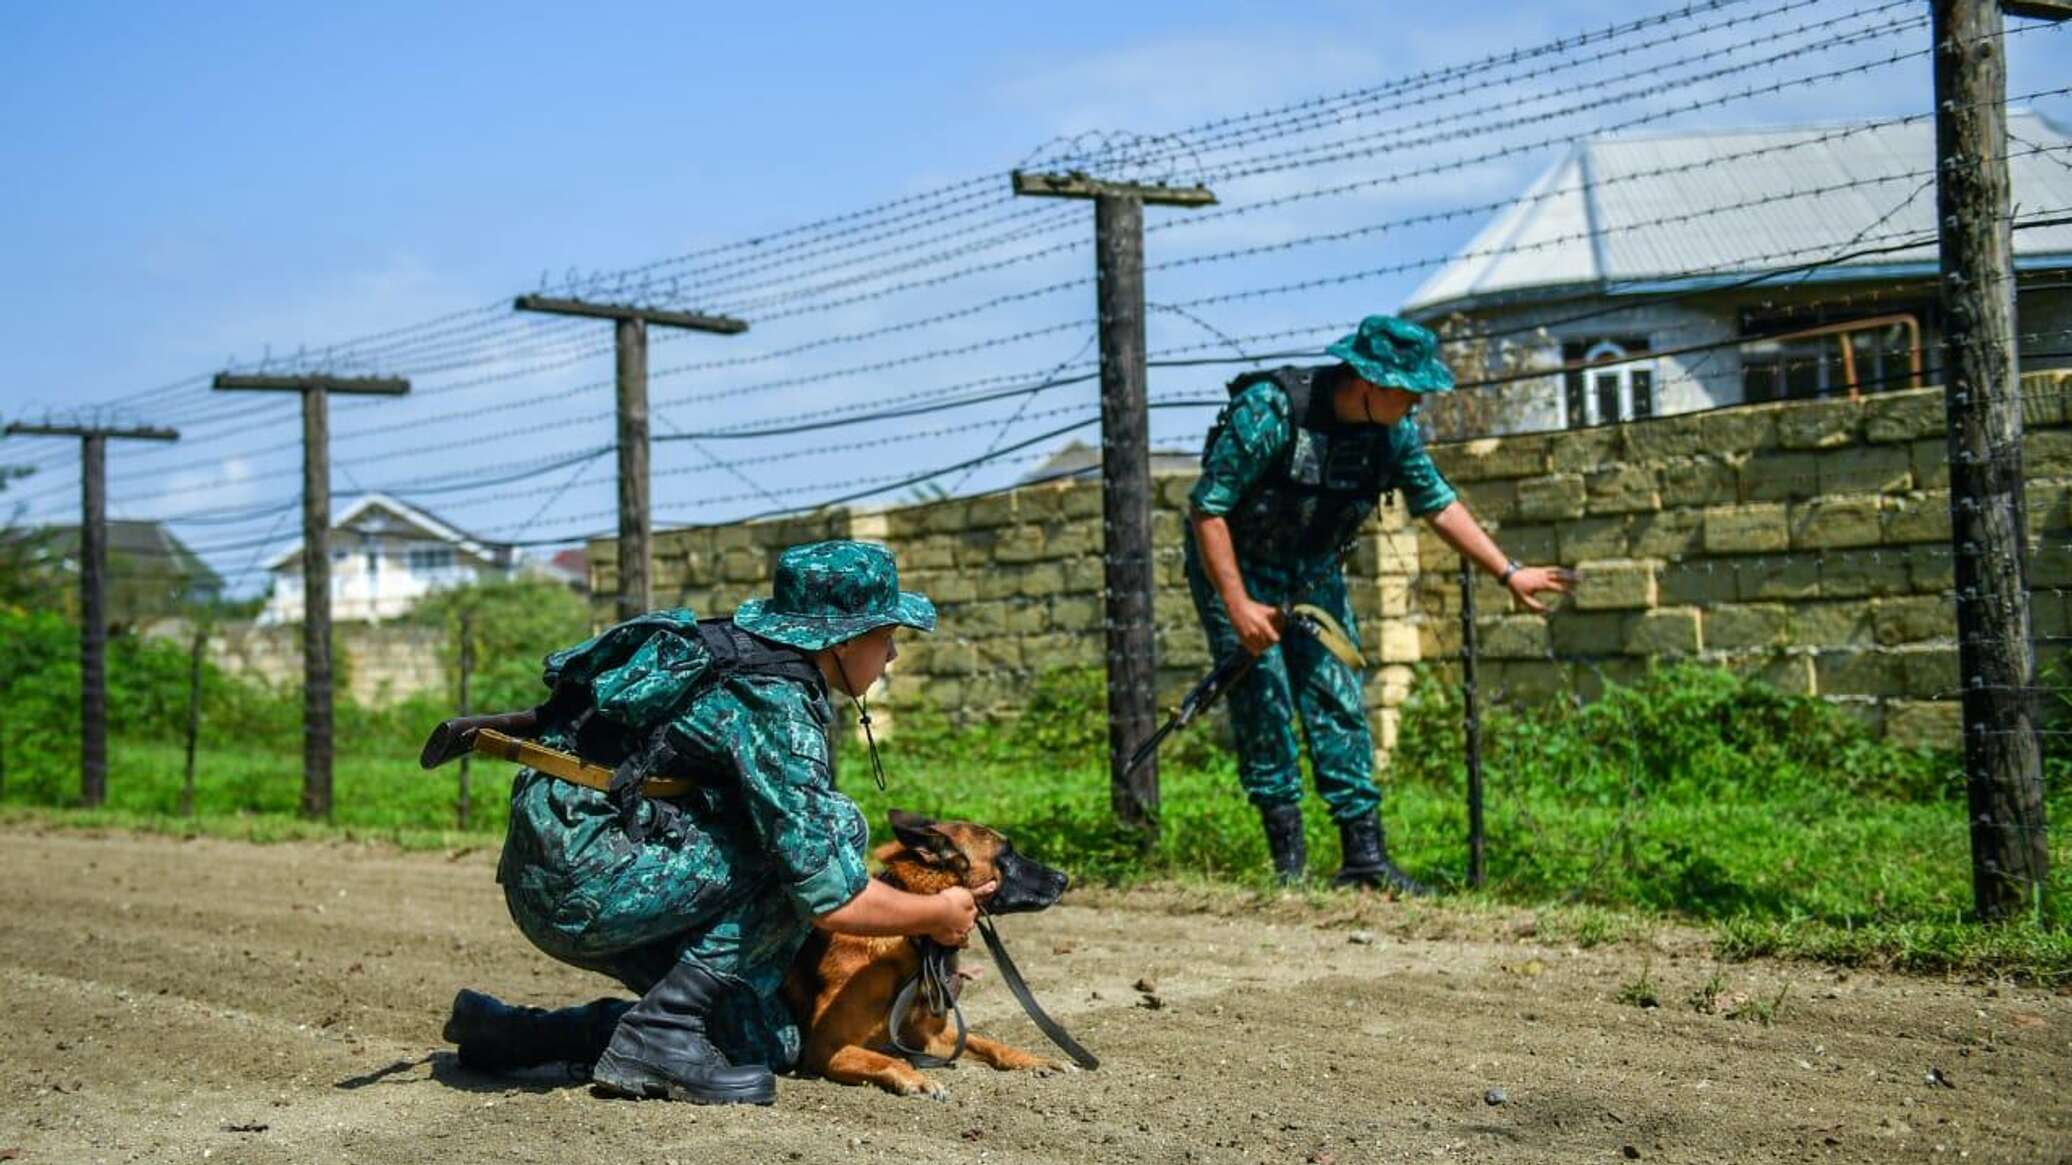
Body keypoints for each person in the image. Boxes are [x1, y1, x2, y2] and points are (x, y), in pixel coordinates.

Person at [443, 540, 990, 1106]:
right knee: (834, 829)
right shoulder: (774, 700)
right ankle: (663, 1031)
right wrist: (936, 915)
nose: (893, 654)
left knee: (766, 1042)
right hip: (582, 880)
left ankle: (511, 1033)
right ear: (844, 638)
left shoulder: (739, 656)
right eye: (886, 636)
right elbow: (828, 896)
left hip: (563, 866)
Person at [1186, 314, 1572, 893]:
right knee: (1264, 703)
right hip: (1238, 571)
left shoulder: (1393, 432)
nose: (1417, 401)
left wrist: (1508, 572)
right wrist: (1238, 605)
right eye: (1409, 389)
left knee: (1337, 702)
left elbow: (1438, 503)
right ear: (1370, 382)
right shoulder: (1271, 411)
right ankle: (1288, 870)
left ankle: (1364, 860)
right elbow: (1208, 508)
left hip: (1312, 578)